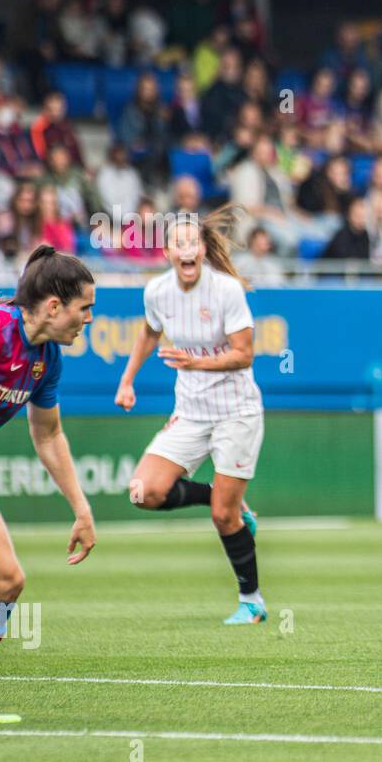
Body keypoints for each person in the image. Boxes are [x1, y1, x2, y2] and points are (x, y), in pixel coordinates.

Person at [0, 246, 97, 723]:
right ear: (53, 306)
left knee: (4, 581)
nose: (87, 319)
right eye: (84, 308)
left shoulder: (46, 359)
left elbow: (48, 435)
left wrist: (82, 509)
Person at [114, 208, 267, 624]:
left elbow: (244, 354)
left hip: (236, 412)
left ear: (202, 249)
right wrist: (127, 381)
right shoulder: (157, 292)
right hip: (191, 413)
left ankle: (251, 601)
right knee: (142, 492)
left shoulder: (227, 291)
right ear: (167, 251)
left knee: (224, 516)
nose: (186, 250)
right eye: (178, 244)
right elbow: (148, 331)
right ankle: (225, 500)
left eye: (192, 243)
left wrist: (196, 364)